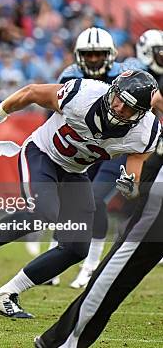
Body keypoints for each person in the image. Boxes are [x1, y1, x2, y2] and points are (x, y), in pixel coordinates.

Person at [0, 69, 159, 318]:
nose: (119, 108)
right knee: (43, 213)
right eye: (119, 99)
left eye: (129, 108)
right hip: (42, 154)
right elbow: (32, 92)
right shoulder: (84, 94)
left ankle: (6, 294)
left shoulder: (145, 134)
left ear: (141, 114)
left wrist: (129, 187)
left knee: (77, 248)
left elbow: (133, 179)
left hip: (75, 173)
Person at [35, 83, 163, 348]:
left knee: (122, 263)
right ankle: (63, 340)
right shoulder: (85, 90)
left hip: (120, 157)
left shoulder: (144, 126)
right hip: (80, 156)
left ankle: (64, 340)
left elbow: (156, 101)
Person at [50, 27, 145, 289]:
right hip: (83, 149)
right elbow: (54, 115)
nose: (93, 59)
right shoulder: (69, 75)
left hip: (115, 149)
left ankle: (90, 266)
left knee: (94, 201)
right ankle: (56, 260)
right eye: (88, 55)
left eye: (98, 54)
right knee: (68, 201)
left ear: (110, 54)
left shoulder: (127, 73)